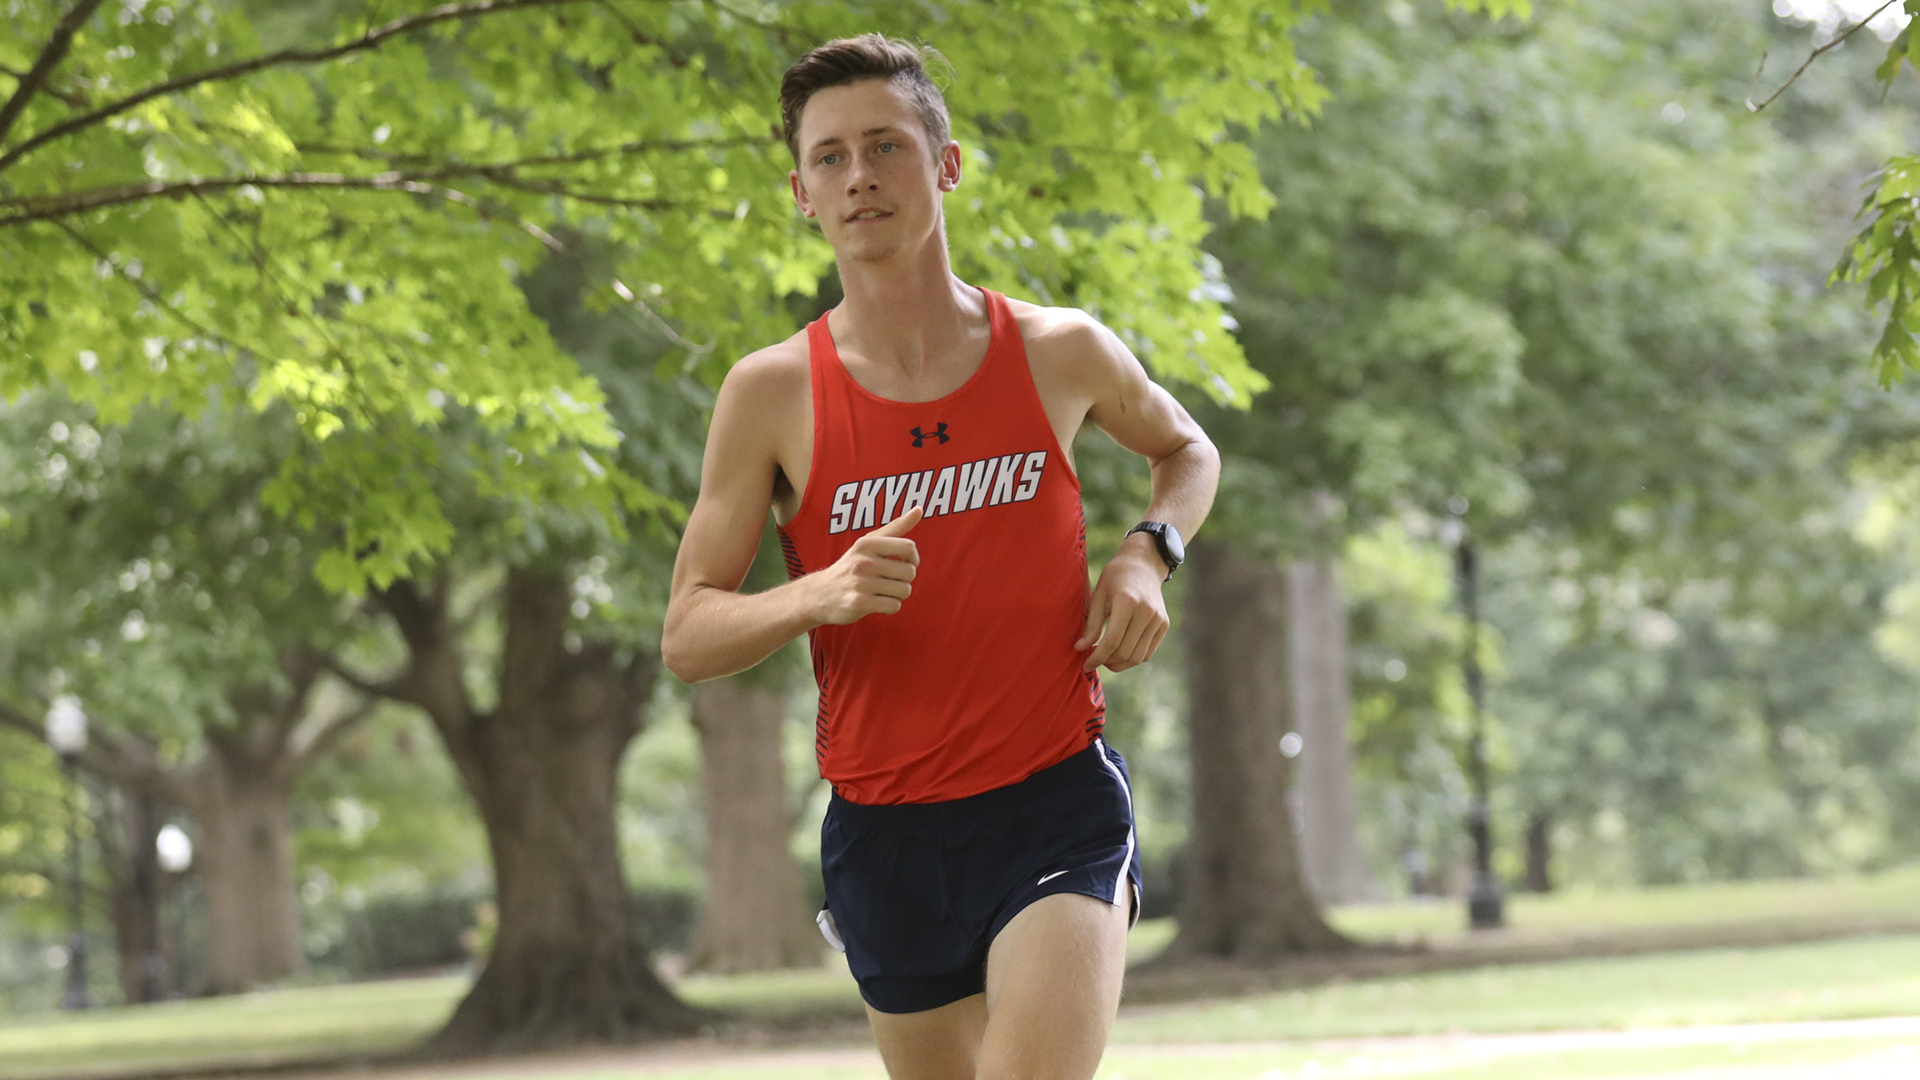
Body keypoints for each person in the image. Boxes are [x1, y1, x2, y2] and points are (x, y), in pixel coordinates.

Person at [661, 33, 1219, 1080]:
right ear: (801, 194)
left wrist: (1147, 553)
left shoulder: (1059, 350)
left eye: (887, 145)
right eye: (830, 157)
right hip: (885, 835)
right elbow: (688, 633)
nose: (860, 176)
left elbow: (1187, 449)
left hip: (1054, 798)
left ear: (946, 163)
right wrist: (815, 594)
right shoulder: (771, 393)